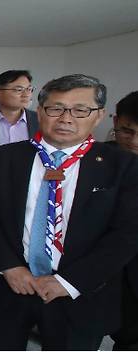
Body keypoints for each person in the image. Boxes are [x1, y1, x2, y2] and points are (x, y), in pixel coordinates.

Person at [0, 74, 138, 350]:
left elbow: (127, 234)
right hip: (13, 285)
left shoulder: (122, 167)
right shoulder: (5, 158)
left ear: (100, 115)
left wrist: (69, 282)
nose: (66, 118)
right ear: (40, 111)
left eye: (80, 110)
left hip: (78, 293)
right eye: (56, 108)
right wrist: (9, 265)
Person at [108, 91, 138, 350]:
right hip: (108, 277)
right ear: (115, 122)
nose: (135, 141)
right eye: (127, 131)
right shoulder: (98, 161)